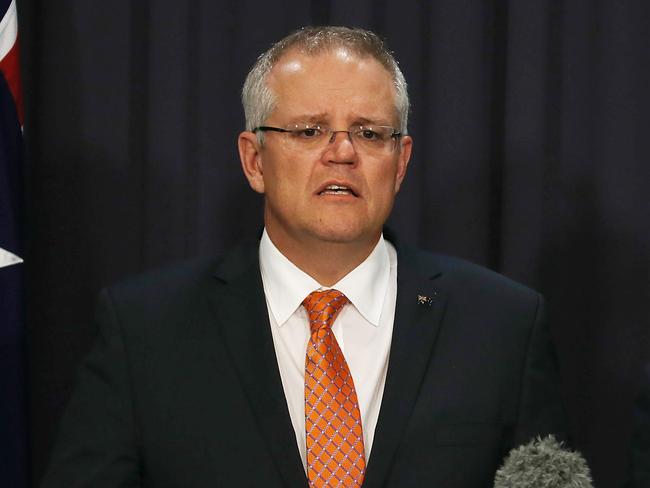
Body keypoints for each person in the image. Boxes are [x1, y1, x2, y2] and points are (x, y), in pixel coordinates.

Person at [42, 26, 568, 487]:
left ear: (400, 162)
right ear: (254, 160)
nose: (342, 152)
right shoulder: (145, 331)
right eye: (309, 130)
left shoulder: (503, 327)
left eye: (370, 132)